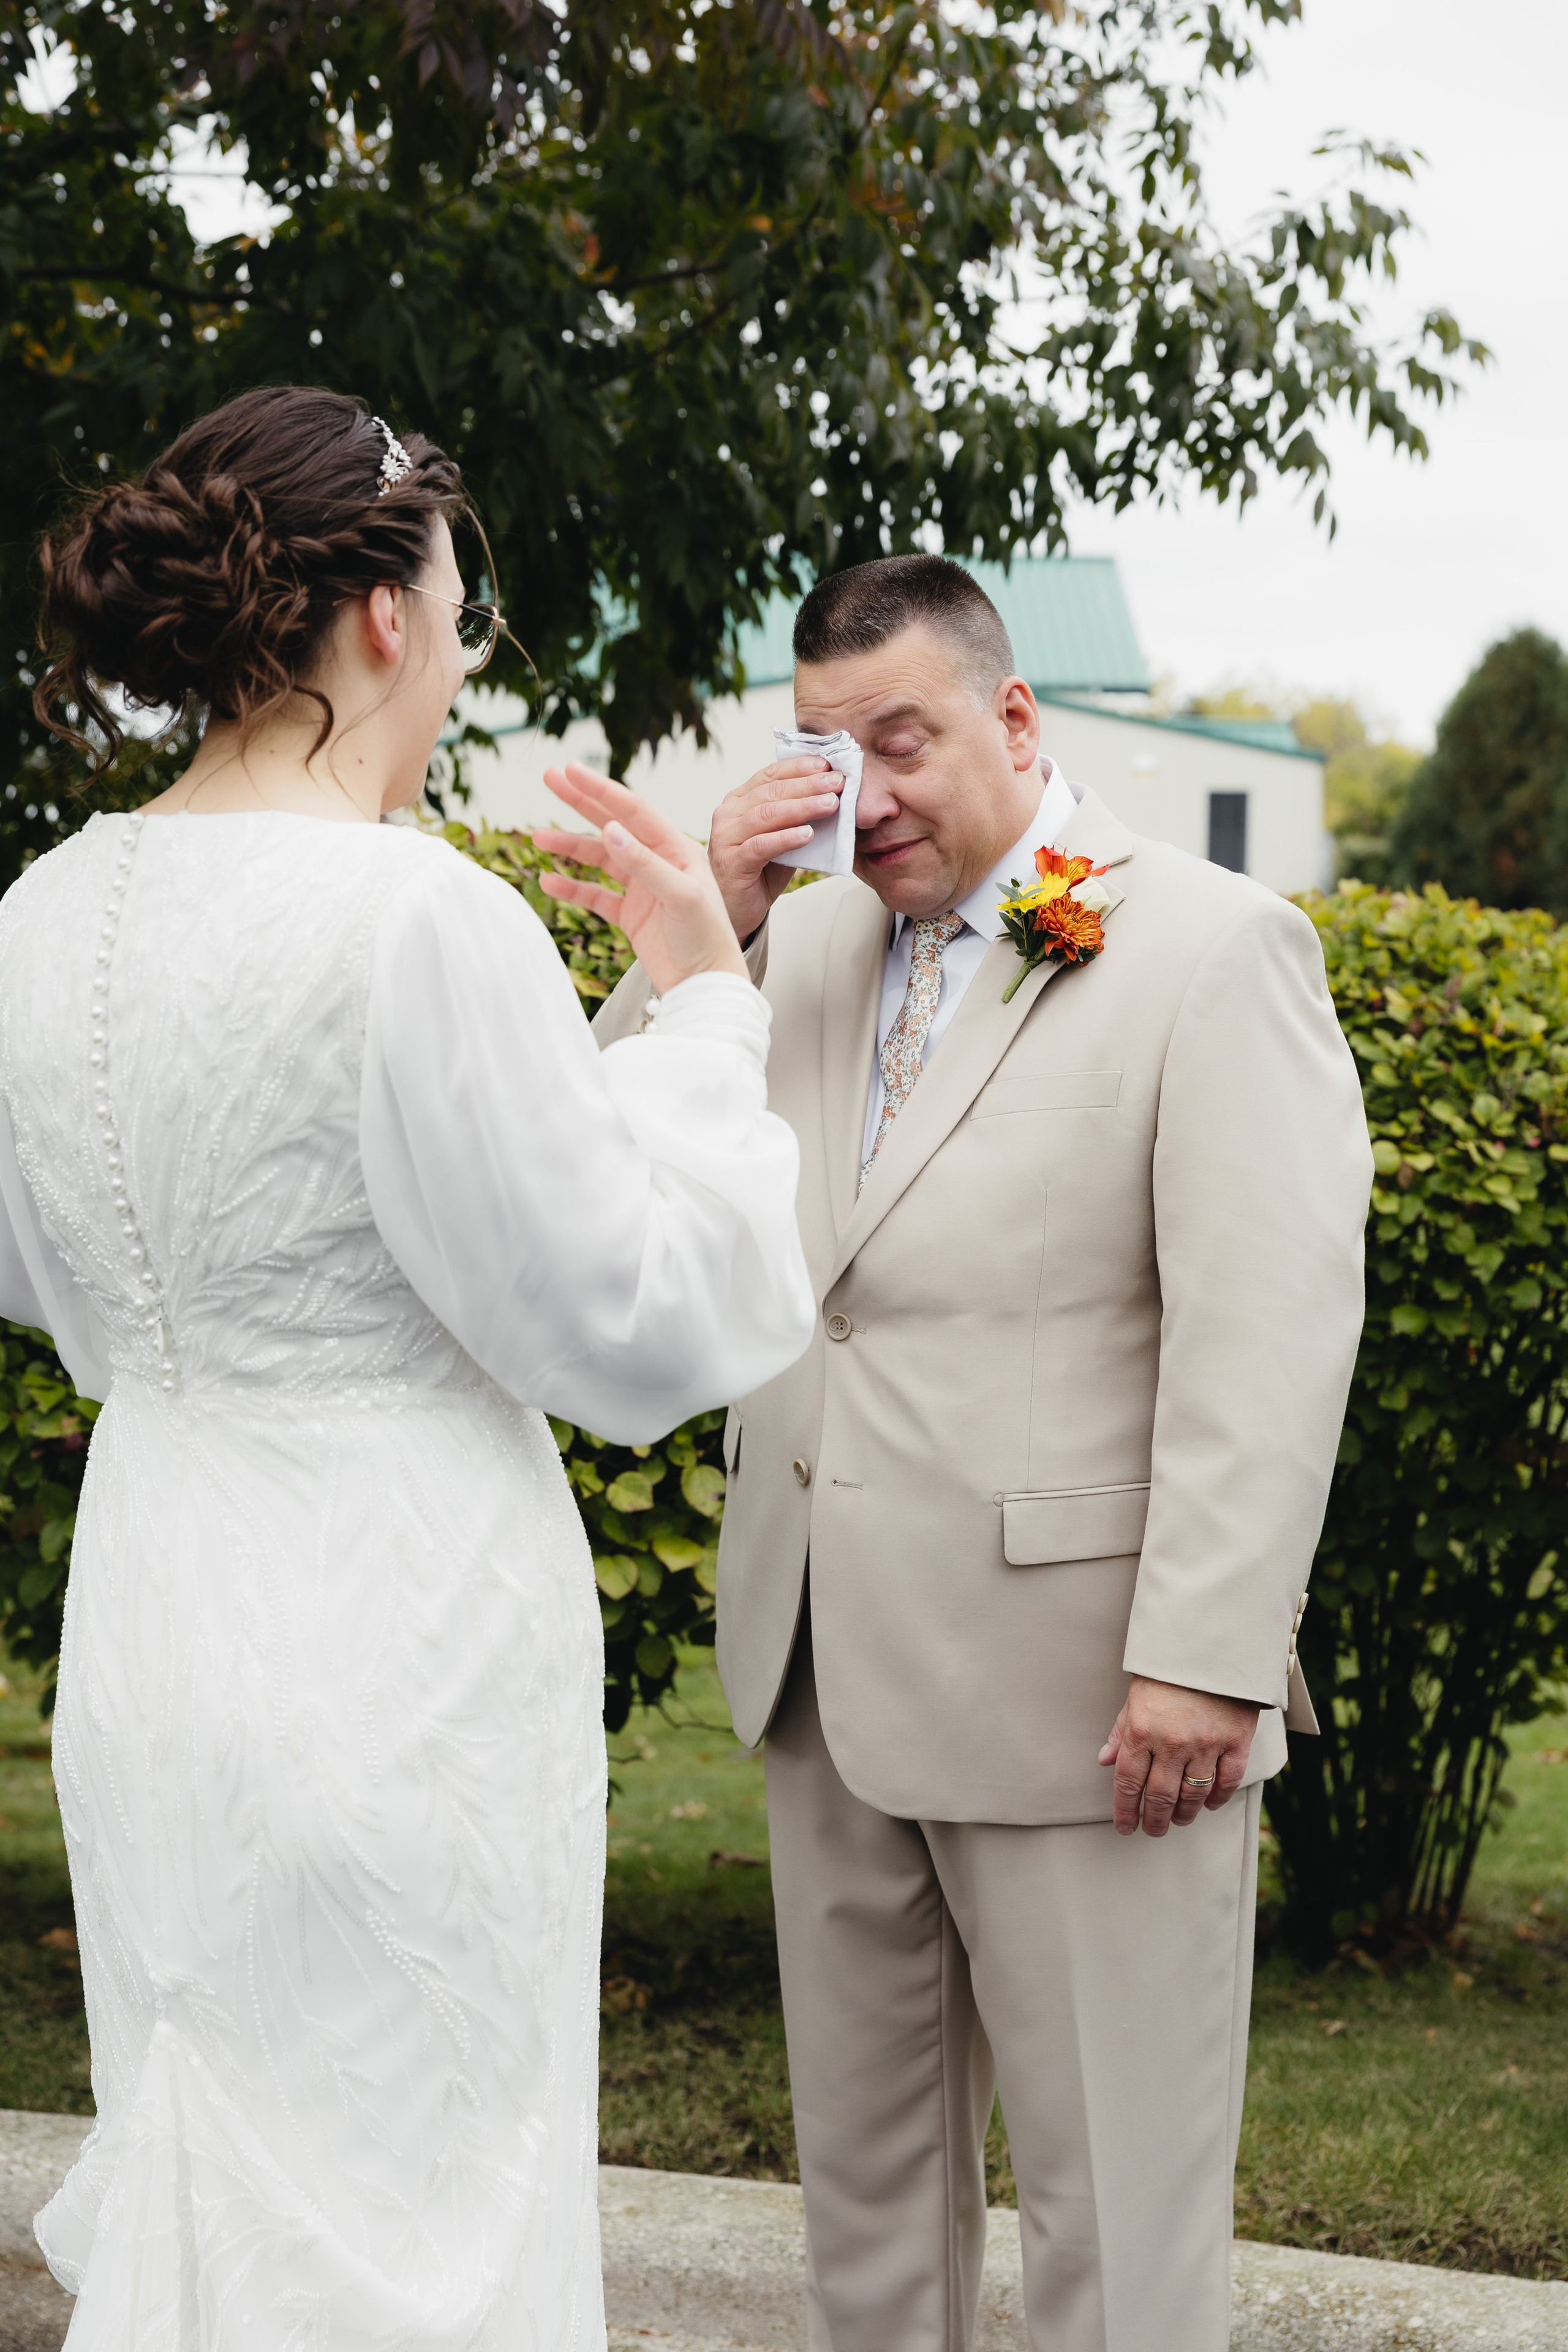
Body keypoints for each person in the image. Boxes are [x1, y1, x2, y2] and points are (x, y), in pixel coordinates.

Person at [2, 384, 813, 2346]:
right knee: (419, 2200)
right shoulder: (414, 917)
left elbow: (61, 1269)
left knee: (224, 2148)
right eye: (465, 613)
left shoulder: (41, 914)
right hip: (397, 1637)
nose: (461, 658)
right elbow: (637, 1318)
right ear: (381, 616)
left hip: (159, 1610)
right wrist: (707, 1014)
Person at [589, 555, 1372, 2352]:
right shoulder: (795, 936)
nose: (867, 792)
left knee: (1118, 2212)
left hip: (1095, 1703)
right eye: (827, 749)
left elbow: (1269, 1334)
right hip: (818, 1662)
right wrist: (696, 925)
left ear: (1017, 721)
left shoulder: (1211, 945)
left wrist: (1206, 1653)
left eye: (905, 739)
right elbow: (602, 1176)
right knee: (863, 2193)